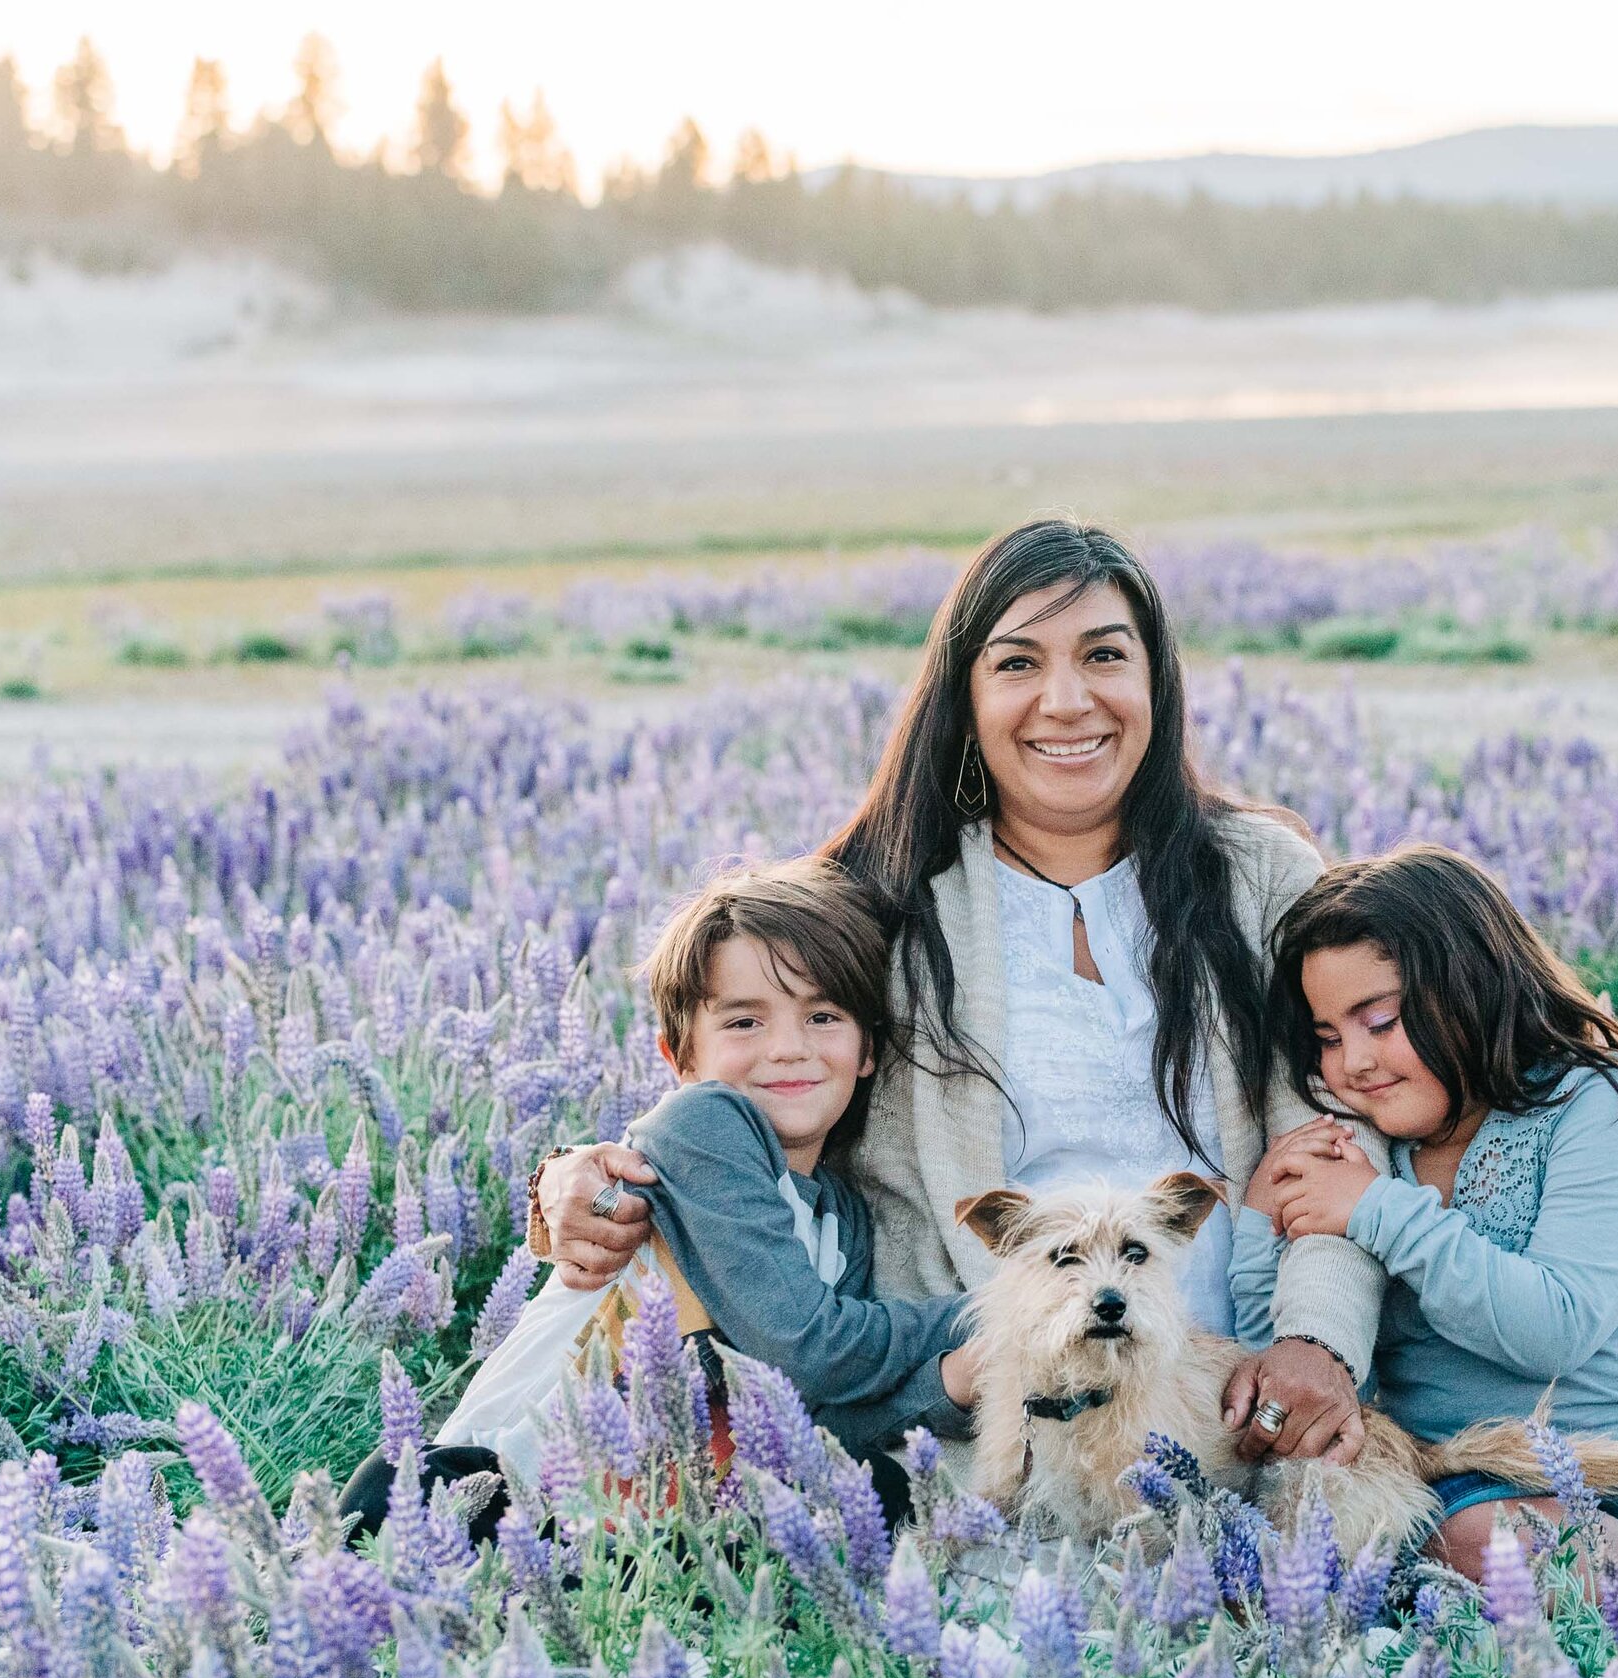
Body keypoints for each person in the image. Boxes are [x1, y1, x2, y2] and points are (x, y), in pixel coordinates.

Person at [529, 518, 1392, 1464]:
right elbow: (755, 1073)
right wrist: (578, 1174)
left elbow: (1348, 1128)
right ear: (966, 698)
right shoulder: (885, 893)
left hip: (1231, 1394)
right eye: (1017, 664)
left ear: (1157, 682)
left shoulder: (1259, 876)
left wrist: (1318, 1341)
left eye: (1105, 655)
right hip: (973, 1410)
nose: (1067, 701)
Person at [1237, 842, 1618, 1622]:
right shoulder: (1359, 1148)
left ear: (1470, 986)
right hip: (1498, 1483)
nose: (1352, 1061)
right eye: (1326, 1036)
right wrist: (1260, 1213)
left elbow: (1555, 1327)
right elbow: (1278, 1350)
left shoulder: (1597, 1107)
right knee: (1466, 1537)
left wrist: (1378, 1212)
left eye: (1379, 1020)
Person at [342, 858, 974, 1540]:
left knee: (872, 1490)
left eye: (823, 1015)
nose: (789, 1048)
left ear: (868, 1049)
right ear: (681, 1059)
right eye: (743, 1024)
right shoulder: (703, 1128)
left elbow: (810, 1414)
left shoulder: (841, 1221)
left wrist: (952, 1381)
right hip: (492, 1488)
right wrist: (991, 1315)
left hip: (641, 1526)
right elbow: (807, 1348)